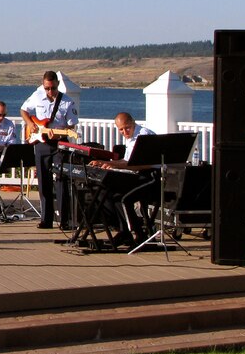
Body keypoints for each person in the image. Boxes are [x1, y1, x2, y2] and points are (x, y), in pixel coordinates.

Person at [20, 71, 79, 229]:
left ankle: (64, 220)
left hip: (59, 144)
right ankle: (46, 219)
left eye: (52, 88)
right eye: (47, 88)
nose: (50, 92)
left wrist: (60, 131)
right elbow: (24, 110)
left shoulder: (67, 102)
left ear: (57, 85)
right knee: (43, 181)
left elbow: (71, 124)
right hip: (41, 144)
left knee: (61, 180)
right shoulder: (37, 96)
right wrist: (31, 124)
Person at [90, 112, 157, 244]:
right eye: (121, 129)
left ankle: (139, 234)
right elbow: (126, 161)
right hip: (137, 175)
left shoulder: (143, 135)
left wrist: (111, 163)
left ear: (133, 122)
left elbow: (137, 164)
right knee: (106, 191)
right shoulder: (130, 137)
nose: (124, 132)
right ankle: (123, 231)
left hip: (151, 177)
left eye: (127, 128)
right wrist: (107, 164)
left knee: (124, 198)